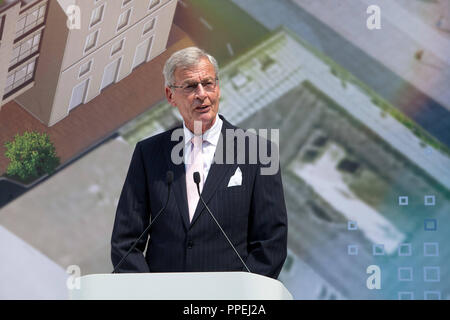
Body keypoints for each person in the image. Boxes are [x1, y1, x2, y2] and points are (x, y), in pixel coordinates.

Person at [111, 47, 287, 279]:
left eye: (208, 83)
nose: (202, 94)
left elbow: (271, 242)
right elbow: (126, 241)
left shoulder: (257, 152)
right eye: (191, 86)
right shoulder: (149, 153)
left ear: (218, 88)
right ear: (170, 95)